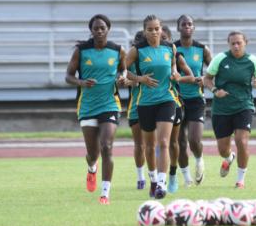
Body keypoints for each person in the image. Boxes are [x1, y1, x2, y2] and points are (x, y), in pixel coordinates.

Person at [65, 14, 126, 205]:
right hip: (88, 106)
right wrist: (81, 82)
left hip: (110, 104)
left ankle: (105, 194)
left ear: (108, 29)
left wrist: (123, 77)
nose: (99, 31)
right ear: (91, 31)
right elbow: (68, 76)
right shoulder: (81, 51)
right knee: (93, 153)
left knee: (107, 146)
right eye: (96, 28)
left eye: (102, 28)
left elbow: (124, 69)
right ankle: (92, 168)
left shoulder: (117, 50)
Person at [125, 15, 182, 199]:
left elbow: (174, 68)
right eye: (150, 29)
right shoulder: (137, 50)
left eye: (156, 28)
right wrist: (140, 79)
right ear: (144, 31)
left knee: (164, 142)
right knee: (149, 146)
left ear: (161, 29)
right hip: (145, 102)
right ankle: (152, 179)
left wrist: (174, 74)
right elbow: (123, 69)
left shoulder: (170, 47)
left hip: (167, 99)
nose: (154, 32)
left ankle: (161, 183)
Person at [203, 31, 256, 189]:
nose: (236, 46)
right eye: (233, 43)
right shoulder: (220, 59)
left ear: (245, 43)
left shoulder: (253, 61)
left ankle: (240, 180)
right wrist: (216, 90)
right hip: (221, 108)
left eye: (239, 43)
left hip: (243, 106)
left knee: (241, 141)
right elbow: (207, 79)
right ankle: (229, 157)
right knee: (223, 149)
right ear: (229, 44)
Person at [174, 15, 212, 187]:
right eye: (184, 24)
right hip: (176, 99)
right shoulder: (172, 49)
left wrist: (203, 78)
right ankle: (187, 178)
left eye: (190, 24)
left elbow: (214, 72)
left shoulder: (202, 49)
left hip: (196, 99)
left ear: (194, 28)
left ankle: (199, 160)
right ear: (178, 28)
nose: (187, 27)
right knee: (180, 142)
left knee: (194, 140)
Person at [160, 25, 196, 193]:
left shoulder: (176, 55)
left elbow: (191, 77)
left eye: (165, 38)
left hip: (172, 102)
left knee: (172, 142)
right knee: (154, 143)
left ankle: (172, 175)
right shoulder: (142, 53)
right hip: (148, 103)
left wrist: (179, 77)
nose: (162, 40)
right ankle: (155, 178)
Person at [125, 30, 148, 190]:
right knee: (139, 144)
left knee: (157, 143)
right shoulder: (130, 60)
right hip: (136, 106)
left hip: (156, 103)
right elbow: (123, 76)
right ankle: (141, 177)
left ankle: (157, 176)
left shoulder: (155, 57)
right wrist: (134, 81)